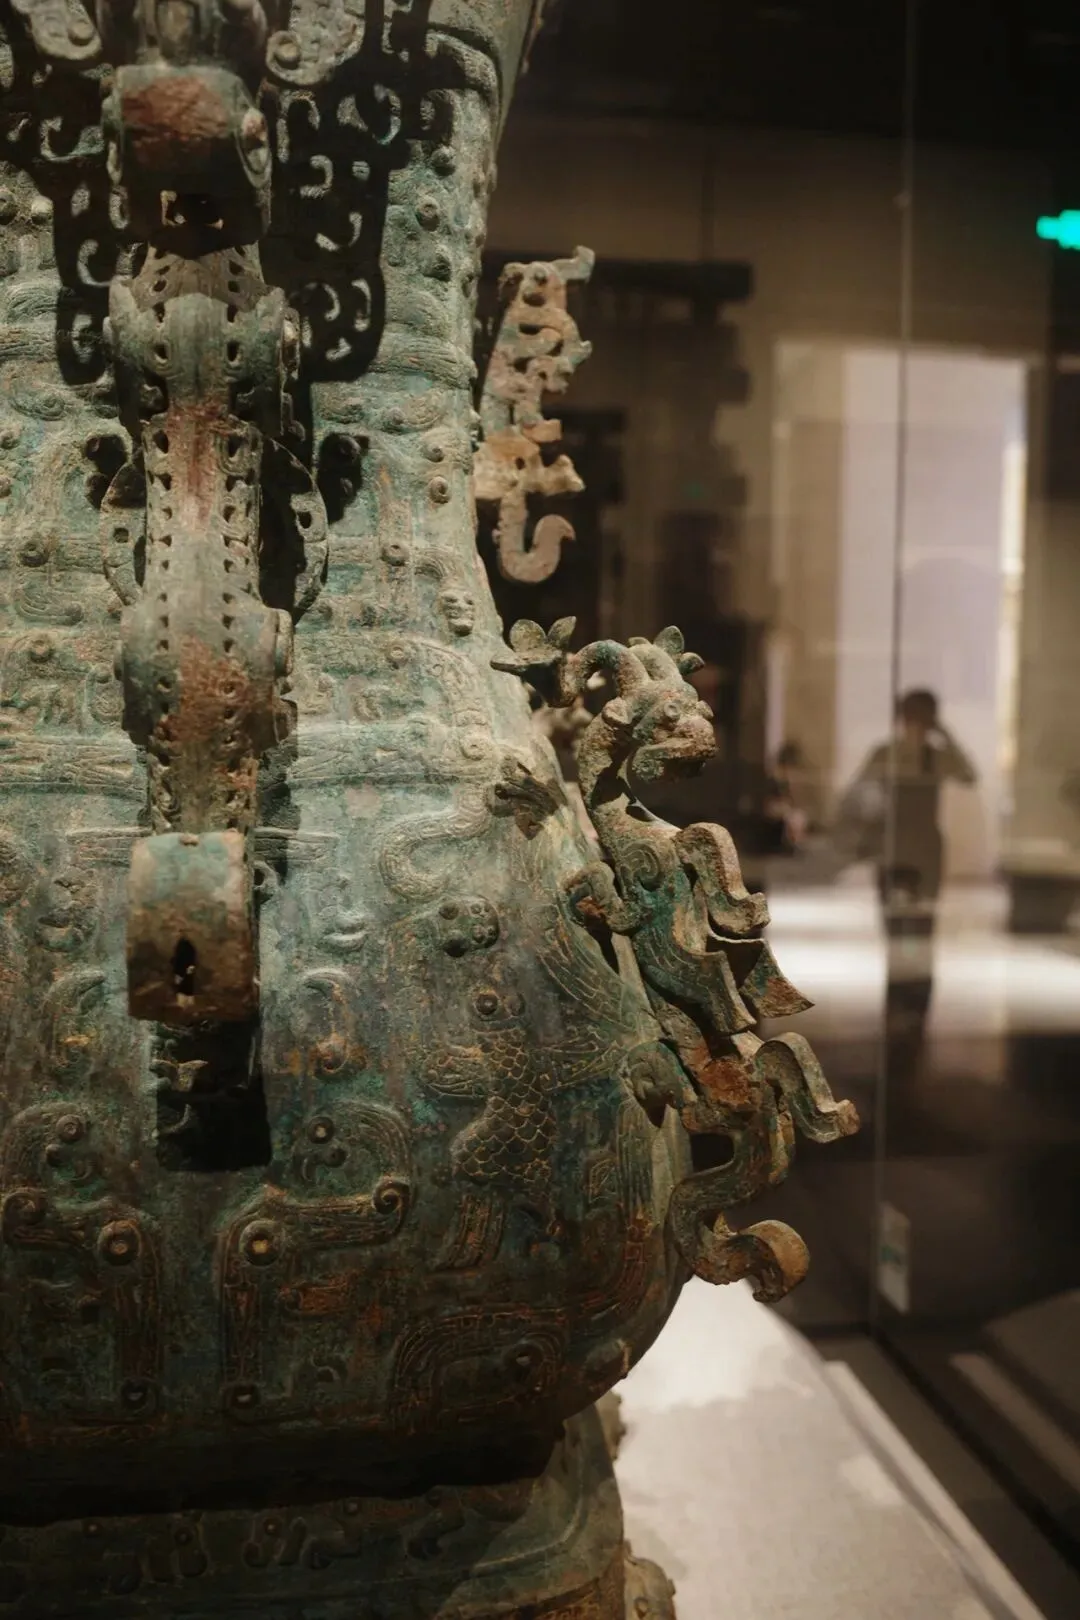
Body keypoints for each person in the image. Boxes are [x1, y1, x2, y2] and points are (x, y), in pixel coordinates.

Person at [849, 690, 977, 1060]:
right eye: (912, 715)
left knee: (921, 930)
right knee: (896, 929)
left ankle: (915, 1010)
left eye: (923, 716)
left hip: (924, 854)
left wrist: (945, 735)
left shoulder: (936, 756)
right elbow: (860, 793)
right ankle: (898, 1008)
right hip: (894, 852)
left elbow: (969, 775)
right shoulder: (885, 753)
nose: (915, 723)